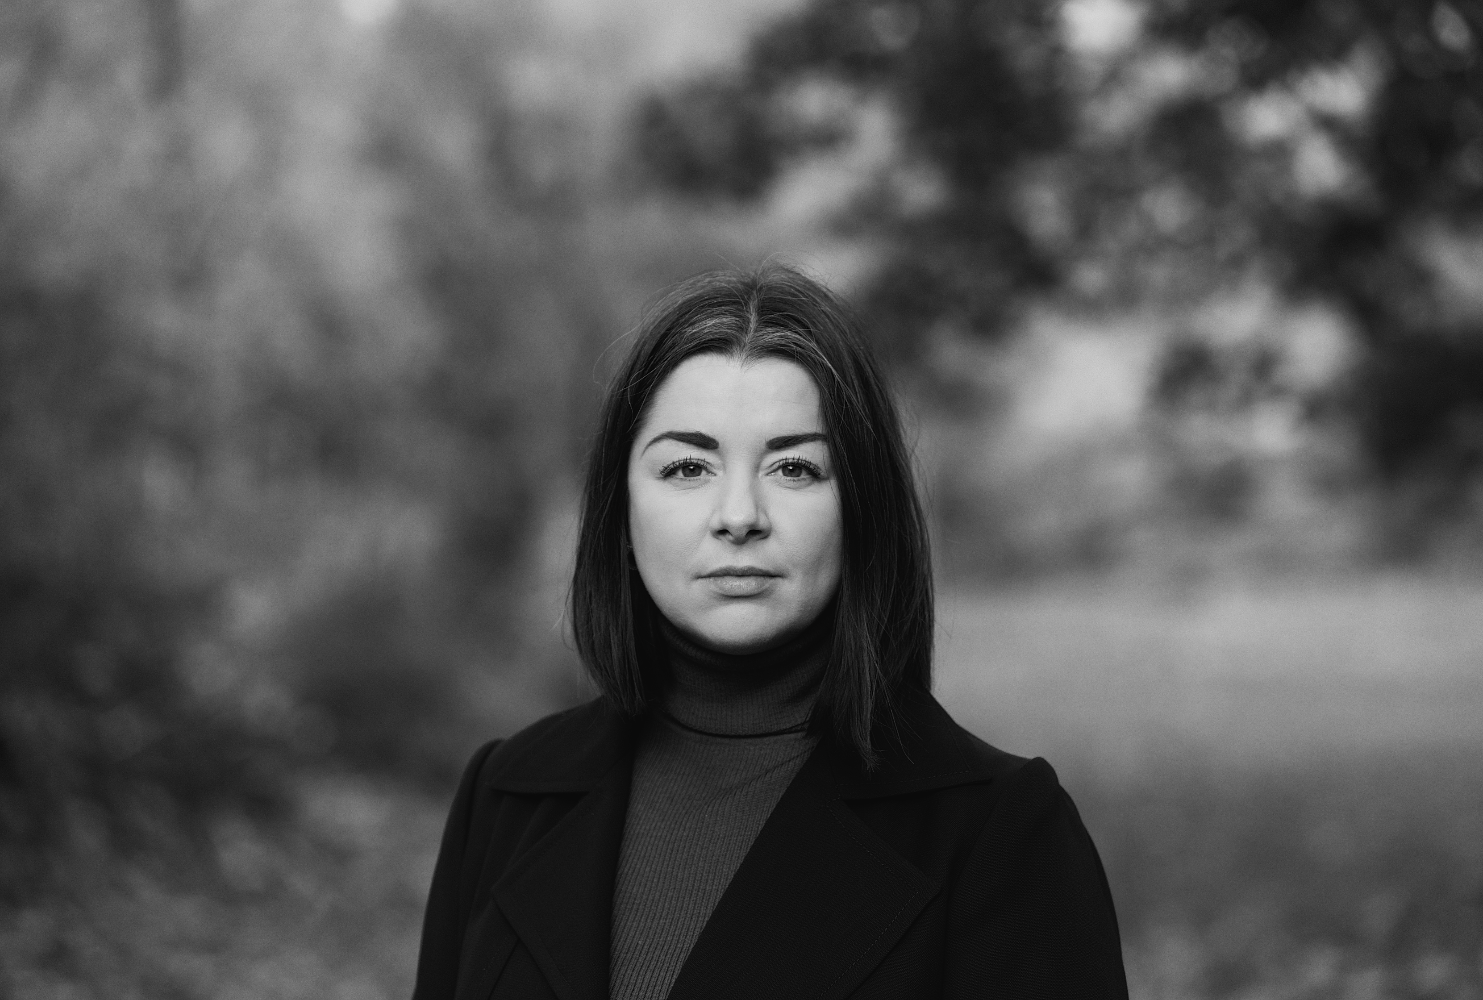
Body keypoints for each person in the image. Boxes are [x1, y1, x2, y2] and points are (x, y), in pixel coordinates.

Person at [412, 266, 1129, 1000]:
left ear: (862, 509)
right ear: (620, 513)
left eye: (793, 467)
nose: (739, 514)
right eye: (688, 466)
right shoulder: (507, 794)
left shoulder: (1000, 833)